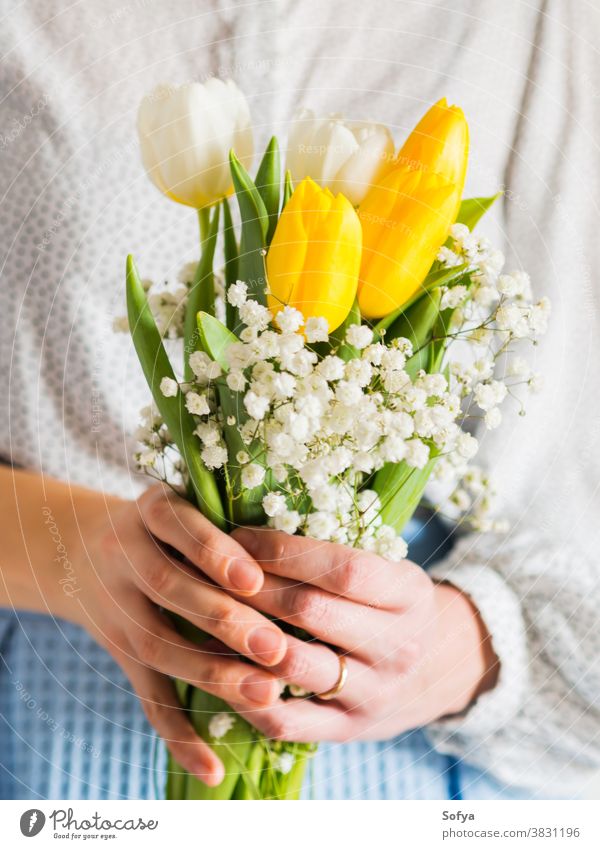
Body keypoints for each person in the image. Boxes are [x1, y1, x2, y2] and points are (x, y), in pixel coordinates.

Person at [1, 0, 599, 801]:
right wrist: (62, 549)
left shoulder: (549, 27)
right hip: (45, 716)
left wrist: (460, 650)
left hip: (422, 752)